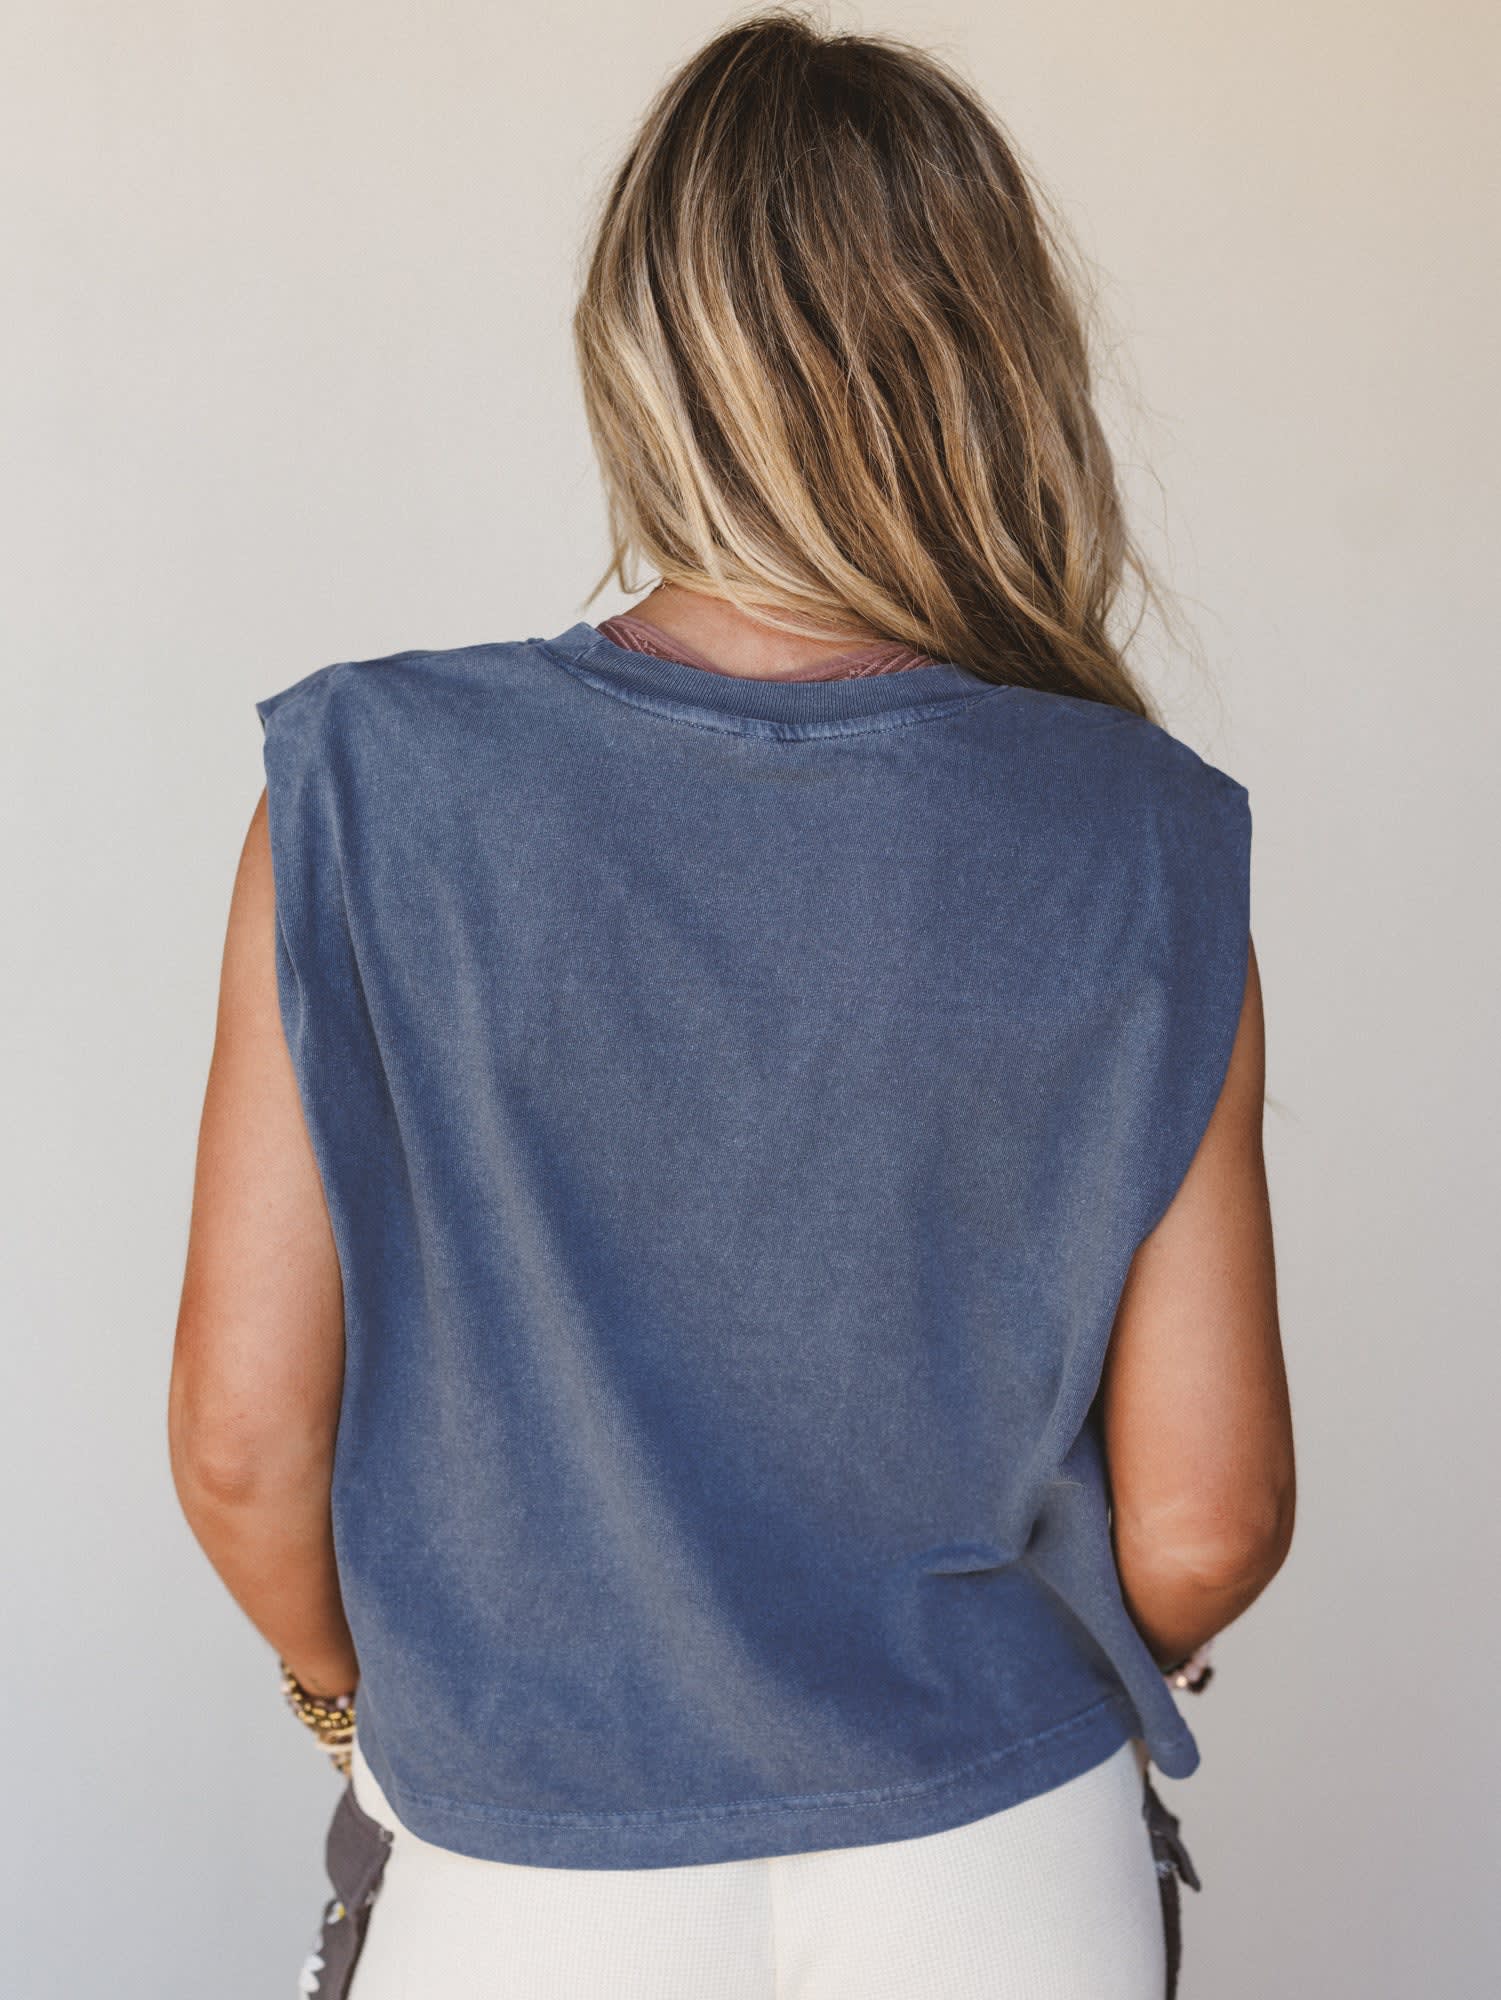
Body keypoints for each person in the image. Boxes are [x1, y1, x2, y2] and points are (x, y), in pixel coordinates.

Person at [168, 11, 1295, 1997]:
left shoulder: (367, 787)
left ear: (642, 353)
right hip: (1001, 1870)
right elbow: (1205, 1522)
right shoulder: (1143, 832)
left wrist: (376, 1711)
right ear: (996, 367)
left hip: (524, 1869)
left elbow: (245, 1443)